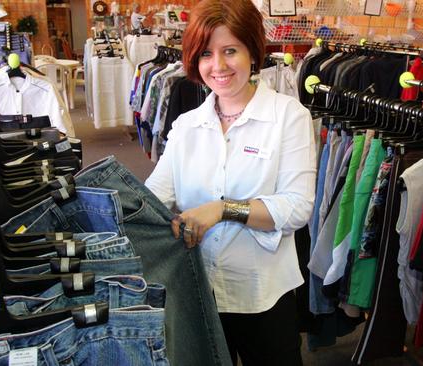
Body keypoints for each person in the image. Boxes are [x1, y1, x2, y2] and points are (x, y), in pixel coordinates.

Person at [144, 0, 316, 364]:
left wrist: (223, 210)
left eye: (230, 51)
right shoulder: (187, 126)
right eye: (206, 53)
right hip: (198, 293)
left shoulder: (288, 117)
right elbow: (154, 196)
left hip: (263, 295)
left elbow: (297, 206)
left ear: (253, 53)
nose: (218, 66)